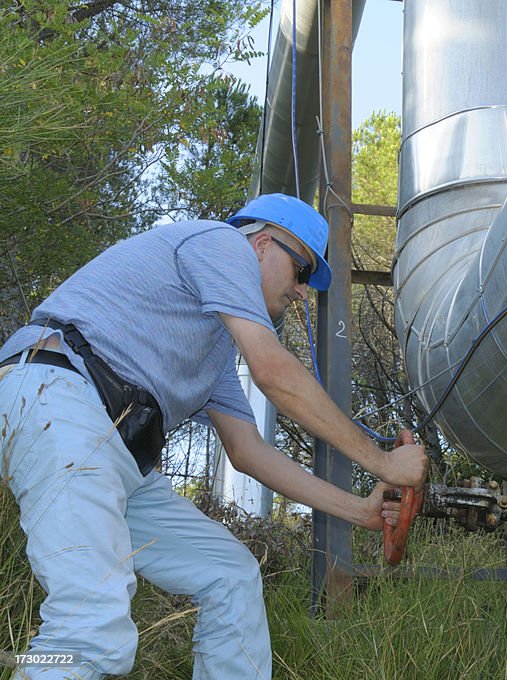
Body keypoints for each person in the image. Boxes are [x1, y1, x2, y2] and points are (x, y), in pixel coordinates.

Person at [0, 193, 428, 679]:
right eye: (302, 271)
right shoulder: (221, 242)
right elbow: (272, 371)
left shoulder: (216, 353)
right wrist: (383, 463)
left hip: (111, 449)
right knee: (91, 628)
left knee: (230, 574)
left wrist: (361, 510)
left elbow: (250, 453)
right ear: (263, 243)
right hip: (57, 398)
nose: (302, 292)